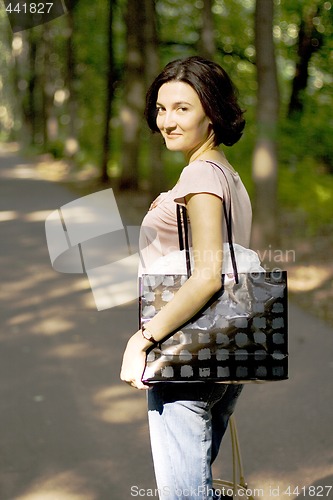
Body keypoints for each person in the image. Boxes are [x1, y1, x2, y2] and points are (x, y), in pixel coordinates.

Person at [120, 56, 252, 499]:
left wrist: (141, 339)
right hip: (220, 353)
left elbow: (208, 275)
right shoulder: (226, 174)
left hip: (185, 356)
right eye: (160, 109)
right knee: (197, 488)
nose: (166, 121)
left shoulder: (200, 175)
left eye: (182, 108)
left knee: (184, 494)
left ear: (211, 111)